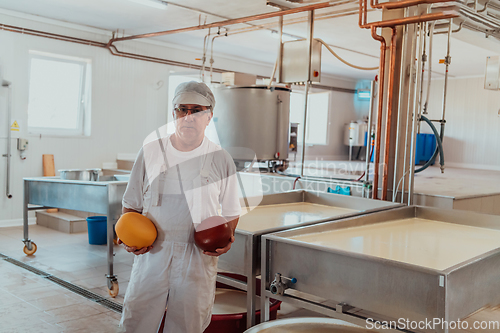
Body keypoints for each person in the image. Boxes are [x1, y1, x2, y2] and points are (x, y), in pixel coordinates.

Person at [118, 81, 241, 333]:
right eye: (181, 109)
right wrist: (129, 237)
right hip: (152, 254)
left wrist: (225, 238)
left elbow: (231, 211)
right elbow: (130, 206)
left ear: (209, 116)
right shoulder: (151, 152)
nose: (188, 116)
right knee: (136, 321)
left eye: (196, 110)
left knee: (187, 325)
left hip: (196, 258)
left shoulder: (220, 159)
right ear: (173, 113)